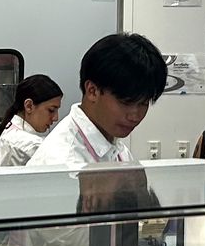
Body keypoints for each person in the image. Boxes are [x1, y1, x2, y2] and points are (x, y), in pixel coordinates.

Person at [30, 33, 166, 168]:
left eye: (143, 103)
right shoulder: (63, 162)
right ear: (92, 91)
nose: (135, 116)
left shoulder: (114, 144)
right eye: (126, 102)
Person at [0, 75, 64, 168]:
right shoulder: (28, 146)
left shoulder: (11, 128)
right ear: (29, 106)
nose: (56, 118)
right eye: (51, 110)